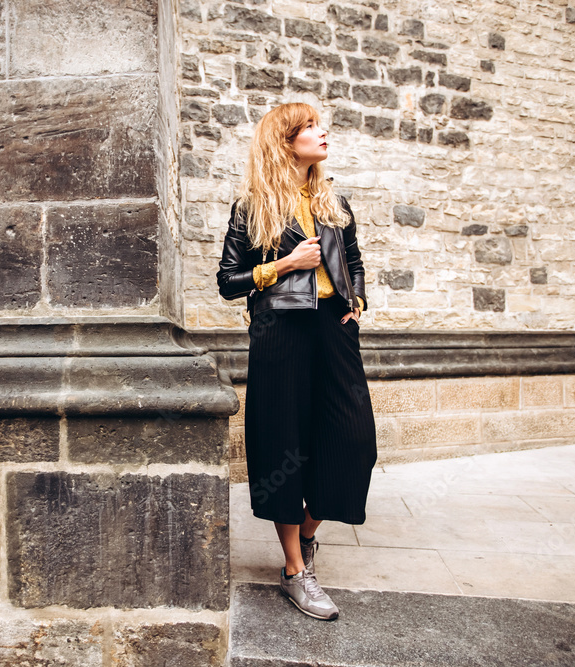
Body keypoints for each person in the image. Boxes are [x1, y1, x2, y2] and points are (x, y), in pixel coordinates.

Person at [216, 102, 377, 621]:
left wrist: (357, 299)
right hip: (280, 332)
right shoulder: (253, 207)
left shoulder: (334, 199)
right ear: (285, 141)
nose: (321, 132)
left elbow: (351, 260)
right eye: (309, 127)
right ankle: (293, 568)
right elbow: (227, 282)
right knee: (287, 442)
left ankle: (308, 534)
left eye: (319, 125)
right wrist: (284, 265)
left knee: (354, 438)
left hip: (333, 330)